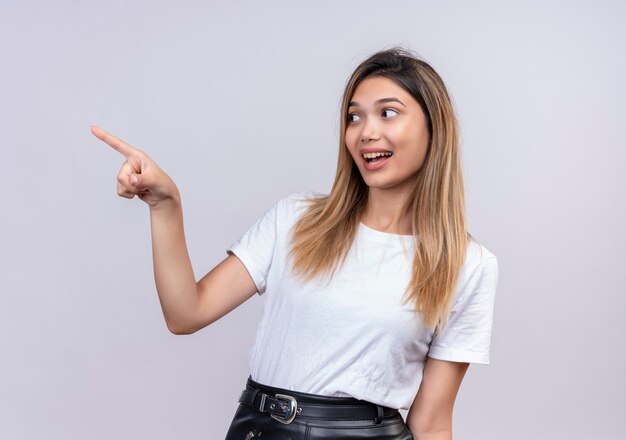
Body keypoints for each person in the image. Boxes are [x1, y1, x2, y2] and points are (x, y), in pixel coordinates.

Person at [91, 46, 499, 440]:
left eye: (387, 113)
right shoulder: (296, 220)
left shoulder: (468, 265)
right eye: (354, 117)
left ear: (434, 127)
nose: (366, 132)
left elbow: (431, 424)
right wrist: (166, 205)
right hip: (259, 429)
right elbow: (185, 314)